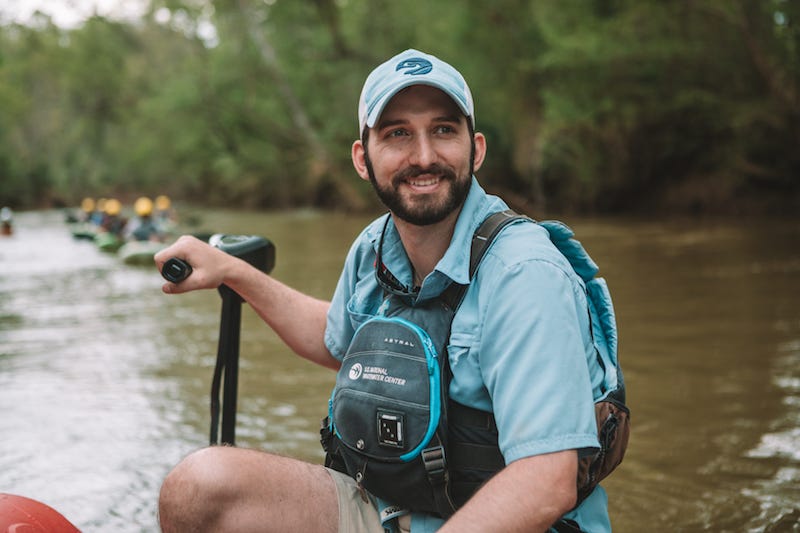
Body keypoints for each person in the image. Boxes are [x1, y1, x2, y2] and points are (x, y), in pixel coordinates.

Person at [155, 49, 610, 533]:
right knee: (198, 488)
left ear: (475, 149)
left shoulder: (525, 273)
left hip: (513, 522)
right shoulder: (375, 246)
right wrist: (233, 273)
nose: (424, 156)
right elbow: (337, 341)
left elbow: (546, 482)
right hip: (394, 510)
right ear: (362, 158)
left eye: (443, 130)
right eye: (397, 133)